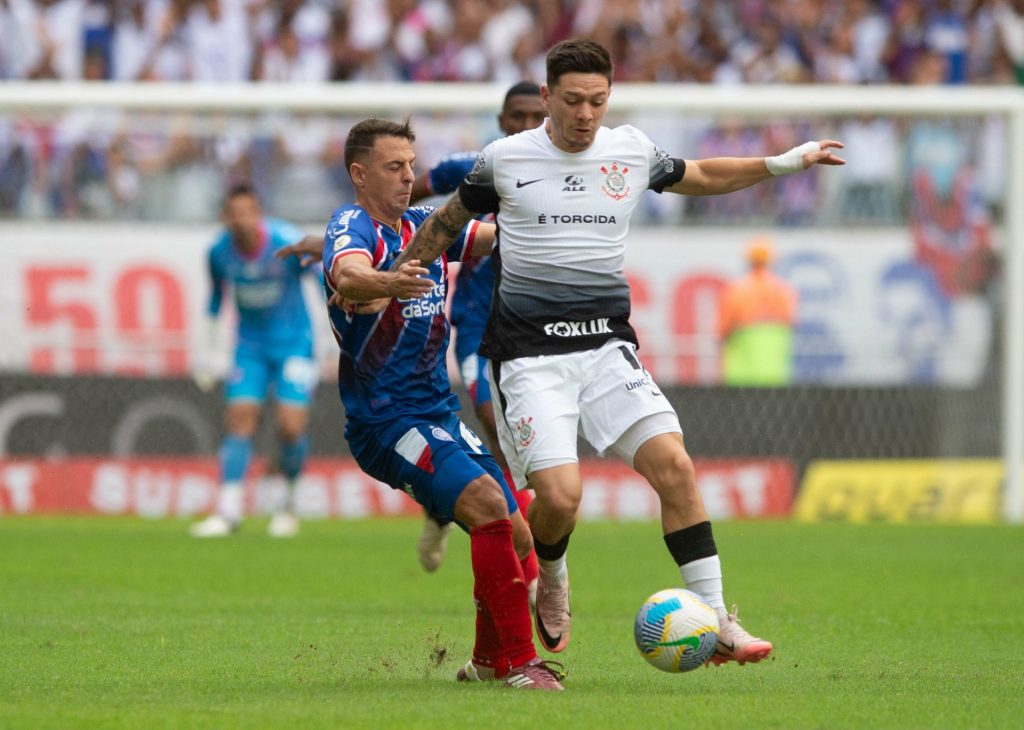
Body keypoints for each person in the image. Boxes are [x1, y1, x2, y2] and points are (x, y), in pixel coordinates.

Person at [394, 38, 844, 665]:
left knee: (676, 468)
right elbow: (444, 222)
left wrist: (784, 162)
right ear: (547, 96)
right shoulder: (505, 159)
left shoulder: (629, 150)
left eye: (597, 101)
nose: (585, 114)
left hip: (607, 350)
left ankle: (718, 619)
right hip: (528, 358)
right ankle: (553, 576)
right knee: (560, 499)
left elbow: (701, 175)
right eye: (572, 100)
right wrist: (395, 276)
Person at [318, 117, 563, 689]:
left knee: (517, 533)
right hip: (386, 422)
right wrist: (387, 282)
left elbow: (494, 237)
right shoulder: (352, 225)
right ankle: (521, 663)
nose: (409, 177)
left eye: (410, 165)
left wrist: (556, 213)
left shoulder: (425, 225)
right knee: (486, 503)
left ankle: (486, 661)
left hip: (437, 412)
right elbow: (349, 275)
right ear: (359, 174)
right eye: (393, 167)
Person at [408, 81, 546, 578]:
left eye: (535, 116)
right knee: (495, 424)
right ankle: (529, 570)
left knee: (526, 444)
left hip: (534, 330)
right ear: (502, 121)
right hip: (477, 329)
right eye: (517, 116)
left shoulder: (568, 176)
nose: (526, 125)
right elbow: (407, 198)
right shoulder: (473, 167)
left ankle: (443, 507)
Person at [190, 183, 323, 538]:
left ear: (259, 213)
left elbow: (321, 278)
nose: (242, 220)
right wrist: (206, 352)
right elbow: (216, 299)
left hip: (295, 346)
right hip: (249, 349)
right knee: (239, 419)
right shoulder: (218, 253)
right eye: (234, 213)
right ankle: (228, 511)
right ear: (225, 218)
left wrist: (337, 332)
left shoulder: (285, 242)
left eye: (248, 212)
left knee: (290, 426)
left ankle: (288, 505)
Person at [717, 238, 799, 386]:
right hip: (774, 372)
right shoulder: (783, 290)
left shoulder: (738, 290)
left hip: (742, 374)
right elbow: (791, 321)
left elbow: (723, 328)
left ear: (748, 260)